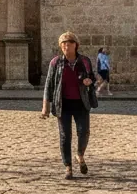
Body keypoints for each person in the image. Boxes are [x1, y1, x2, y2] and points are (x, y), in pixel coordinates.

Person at [40, 31, 97, 179]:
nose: (66, 46)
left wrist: (89, 81)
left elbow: (92, 76)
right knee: (65, 135)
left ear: (76, 45)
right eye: (63, 44)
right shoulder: (56, 62)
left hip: (81, 103)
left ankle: (80, 155)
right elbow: (49, 85)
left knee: (84, 132)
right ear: (60, 46)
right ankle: (68, 167)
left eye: (69, 43)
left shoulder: (84, 61)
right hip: (62, 104)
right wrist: (45, 106)